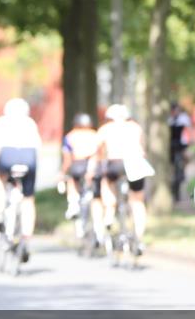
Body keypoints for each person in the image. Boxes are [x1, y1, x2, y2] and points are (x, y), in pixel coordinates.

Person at [0, 98, 41, 254]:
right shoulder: (30, 123)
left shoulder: (1, 122)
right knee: (28, 199)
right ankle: (26, 237)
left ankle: (0, 213)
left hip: (7, 155)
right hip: (29, 158)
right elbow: (38, 149)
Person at [88, 103, 149, 254]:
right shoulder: (135, 127)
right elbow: (143, 148)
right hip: (136, 163)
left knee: (106, 183)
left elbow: (97, 151)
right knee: (137, 201)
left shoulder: (105, 129)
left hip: (115, 163)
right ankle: (139, 237)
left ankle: (109, 213)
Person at [58, 112, 98, 220]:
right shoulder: (95, 135)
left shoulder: (70, 135)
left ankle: (73, 204)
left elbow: (67, 158)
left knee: (71, 181)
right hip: (91, 165)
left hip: (76, 164)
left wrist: (62, 173)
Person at [168, 102, 192, 201]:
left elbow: (187, 134)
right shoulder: (169, 120)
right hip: (171, 148)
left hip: (181, 147)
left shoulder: (183, 119)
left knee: (180, 168)